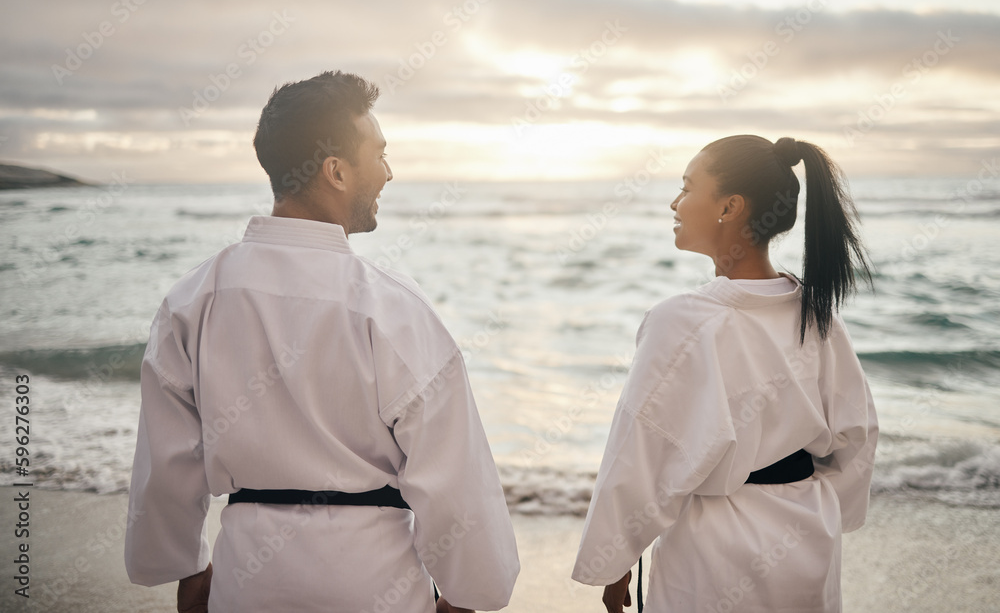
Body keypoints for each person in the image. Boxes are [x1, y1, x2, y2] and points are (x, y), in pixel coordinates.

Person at [124, 71, 519, 612]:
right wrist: (469, 591)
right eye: (378, 154)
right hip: (373, 585)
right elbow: (453, 479)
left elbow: (167, 461)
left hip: (248, 579)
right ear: (335, 170)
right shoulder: (392, 307)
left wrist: (186, 567)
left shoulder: (193, 299)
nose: (389, 172)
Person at [572, 135, 878, 612]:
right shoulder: (817, 312)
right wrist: (821, 506)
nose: (675, 202)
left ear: (730, 206)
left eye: (688, 187)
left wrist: (615, 558)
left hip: (713, 550)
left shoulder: (682, 319)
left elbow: (641, 450)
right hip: (808, 534)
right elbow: (856, 433)